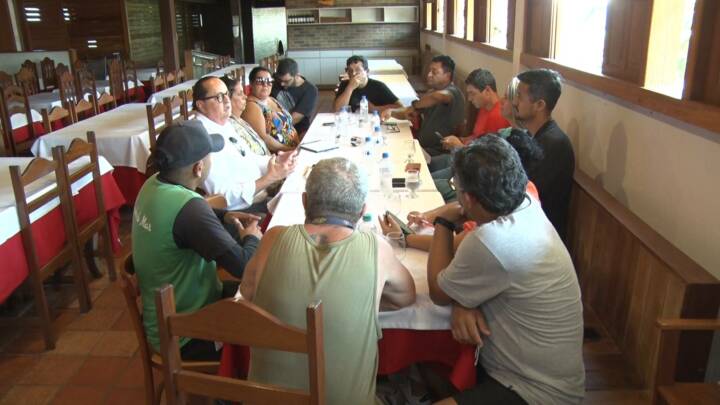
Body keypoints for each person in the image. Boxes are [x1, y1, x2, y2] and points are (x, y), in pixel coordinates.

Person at [241, 157, 416, 405]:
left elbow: (247, 293)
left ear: (304, 202)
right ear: (362, 211)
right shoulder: (377, 249)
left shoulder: (272, 239)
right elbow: (406, 297)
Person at [424, 135, 584, 405]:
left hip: (535, 392)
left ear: (469, 199)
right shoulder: (527, 202)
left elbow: (438, 293)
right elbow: (496, 276)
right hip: (551, 376)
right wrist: (463, 301)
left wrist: (443, 222)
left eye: (456, 188)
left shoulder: (490, 240)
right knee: (433, 372)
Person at [132, 121, 262, 361]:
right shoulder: (189, 209)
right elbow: (244, 266)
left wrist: (224, 215)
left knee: (256, 300)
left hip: (161, 318)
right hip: (184, 335)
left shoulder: (153, 184)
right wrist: (252, 238)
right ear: (199, 168)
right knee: (265, 311)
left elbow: (184, 217)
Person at [192, 76, 297, 211]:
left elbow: (248, 157)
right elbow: (222, 198)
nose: (227, 100)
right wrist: (269, 178)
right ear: (201, 105)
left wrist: (276, 160)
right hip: (243, 211)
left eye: (226, 94)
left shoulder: (223, 123)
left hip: (261, 195)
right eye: (219, 97)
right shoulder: (203, 138)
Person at [513, 69, 574, 240]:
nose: (515, 102)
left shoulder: (554, 144)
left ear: (539, 105)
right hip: (523, 224)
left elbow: (525, 195)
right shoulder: (534, 135)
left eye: (520, 97)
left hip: (538, 236)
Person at [381, 55, 465, 170]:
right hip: (423, 148)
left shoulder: (453, 93)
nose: (429, 75)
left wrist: (415, 104)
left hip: (439, 153)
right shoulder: (431, 94)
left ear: (447, 75)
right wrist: (392, 112)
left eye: (434, 72)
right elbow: (408, 112)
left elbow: (438, 97)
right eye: (429, 71)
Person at [440, 68, 510, 150]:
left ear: (487, 90)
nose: (469, 99)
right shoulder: (483, 107)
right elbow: (475, 137)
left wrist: (459, 146)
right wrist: (460, 140)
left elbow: (487, 154)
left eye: (472, 93)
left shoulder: (498, 116)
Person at [243, 66, 300, 152]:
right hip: (281, 154)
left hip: (294, 148)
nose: (265, 84)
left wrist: (299, 145)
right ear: (251, 83)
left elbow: (289, 126)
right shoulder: (251, 106)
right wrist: (290, 150)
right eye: (260, 81)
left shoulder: (271, 99)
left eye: (269, 81)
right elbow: (264, 139)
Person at [220, 75, 270, 156]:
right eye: (240, 94)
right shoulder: (229, 127)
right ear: (227, 99)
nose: (245, 96)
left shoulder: (239, 120)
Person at [333, 55, 403, 113]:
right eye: (350, 71)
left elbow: (400, 107)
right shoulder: (345, 84)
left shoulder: (378, 86)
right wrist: (350, 88)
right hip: (351, 122)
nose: (353, 73)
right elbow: (337, 110)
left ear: (367, 71)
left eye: (358, 70)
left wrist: (375, 108)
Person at [271, 58, 318, 134]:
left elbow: (294, 119)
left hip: (296, 130)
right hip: (272, 123)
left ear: (297, 76)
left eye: (286, 81)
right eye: (280, 80)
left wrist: (276, 130)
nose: (282, 84)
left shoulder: (310, 90)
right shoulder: (275, 81)